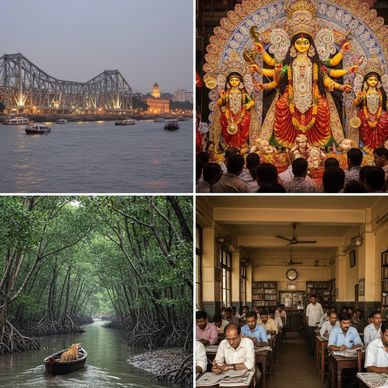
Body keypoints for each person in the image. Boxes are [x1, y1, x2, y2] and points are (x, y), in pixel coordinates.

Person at [246, 0, 356, 149]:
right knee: (281, 106)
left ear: (311, 45)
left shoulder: (316, 64)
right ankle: (284, 145)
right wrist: (260, 63)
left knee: (323, 107)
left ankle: (318, 145)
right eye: (299, 43)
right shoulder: (288, 64)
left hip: (314, 95)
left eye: (305, 43)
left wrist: (341, 83)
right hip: (291, 95)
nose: (302, 45)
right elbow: (274, 70)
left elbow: (330, 73)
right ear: (293, 45)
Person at [353, 56, 388, 150]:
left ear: (378, 82)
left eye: (375, 80)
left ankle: (379, 146)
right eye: (370, 79)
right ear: (366, 81)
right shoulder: (363, 92)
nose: (373, 82)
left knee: (385, 120)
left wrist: (377, 118)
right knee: (364, 121)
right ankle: (368, 146)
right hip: (366, 114)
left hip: (379, 114)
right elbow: (356, 104)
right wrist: (359, 97)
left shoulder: (381, 93)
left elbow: (383, 105)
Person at [217, 72, 254, 149]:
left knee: (244, 123)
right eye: (232, 80)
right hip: (229, 114)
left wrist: (249, 104)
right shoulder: (226, 93)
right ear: (228, 82)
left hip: (241, 114)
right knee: (226, 123)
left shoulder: (243, 93)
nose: (234, 82)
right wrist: (222, 97)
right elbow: (219, 104)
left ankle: (242, 145)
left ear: (240, 82)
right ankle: (229, 146)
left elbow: (251, 101)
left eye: (236, 80)